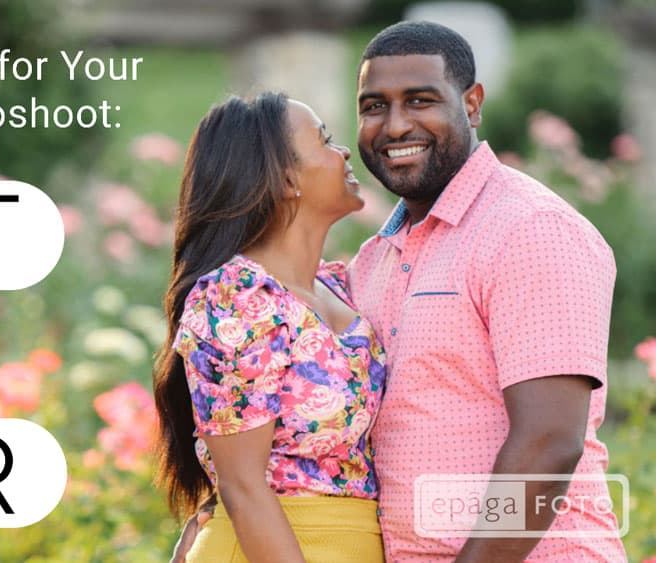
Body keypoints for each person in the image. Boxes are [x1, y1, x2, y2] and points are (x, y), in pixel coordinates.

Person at [171, 21, 627, 562]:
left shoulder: (529, 229)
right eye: (372, 107)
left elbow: (550, 447)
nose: (395, 125)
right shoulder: (368, 267)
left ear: (473, 104)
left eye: (420, 100)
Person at [152, 92, 387, 562]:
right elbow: (242, 487)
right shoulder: (236, 297)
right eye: (325, 141)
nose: (343, 153)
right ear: (284, 179)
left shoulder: (341, 286)